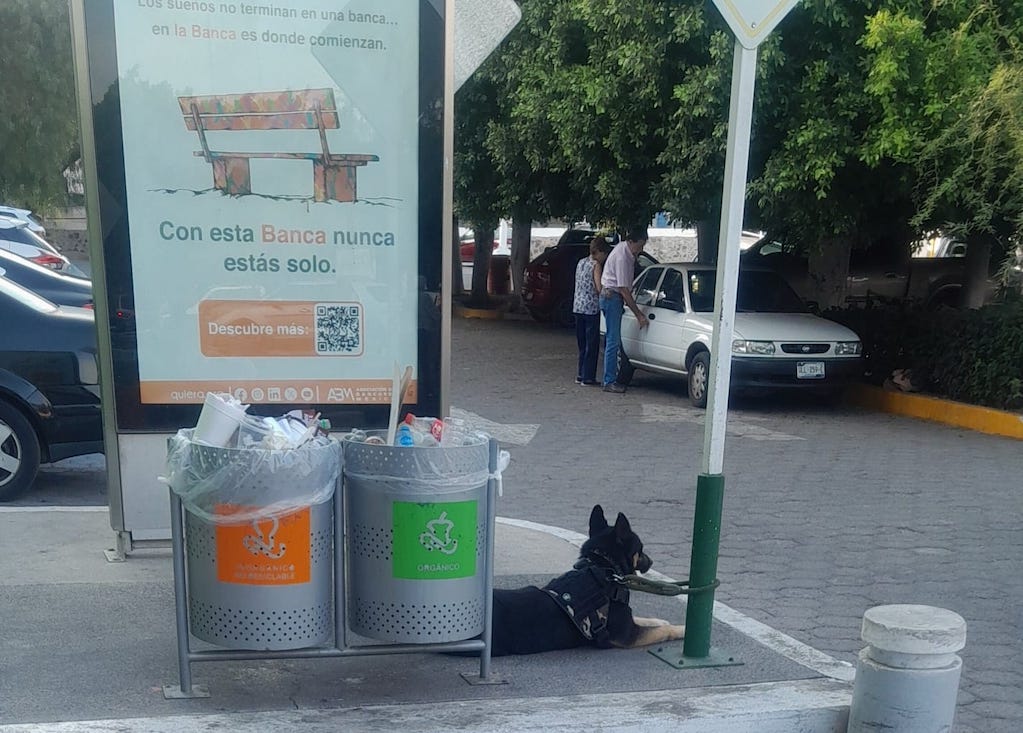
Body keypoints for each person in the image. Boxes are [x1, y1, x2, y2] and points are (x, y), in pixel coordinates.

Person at [599, 227, 649, 393]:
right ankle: (609, 381)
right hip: (612, 297)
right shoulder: (621, 257)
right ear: (631, 242)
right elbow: (623, 288)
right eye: (640, 246)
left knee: (614, 340)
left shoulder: (626, 253)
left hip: (611, 296)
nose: (641, 250)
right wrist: (638, 314)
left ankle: (614, 377)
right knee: (613, 340)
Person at [572, 236, 612, 385]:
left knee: (582, 343)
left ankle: (580, 374)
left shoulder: (580, 262)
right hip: (590, 308)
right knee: (591, 343)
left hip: (577, 306)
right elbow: (598, 287)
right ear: (599, 252)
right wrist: (606, 292)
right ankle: (588, 377)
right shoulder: (595, 265)